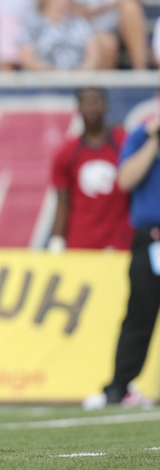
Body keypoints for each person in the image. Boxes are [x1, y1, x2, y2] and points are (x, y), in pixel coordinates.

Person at [83, 86, 160, 410]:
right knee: (139, 314)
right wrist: (154, 141)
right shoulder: (140, 137)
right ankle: (120, 385)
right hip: (150, 240)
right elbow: (125, 180)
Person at [49, 87, 131, 255]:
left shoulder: (124, 142)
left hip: (119, 240)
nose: (91, 107)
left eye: (96, 101)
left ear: (106, 105)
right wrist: (57, 240)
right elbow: (62, 201)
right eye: (86, 102)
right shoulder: (67, 152)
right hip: (81, 242)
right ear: (78, 108)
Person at [18, 0, 103, 71]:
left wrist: (81, 72)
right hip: (42, 77)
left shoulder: (79, 23)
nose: (67, 0)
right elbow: (27, 59)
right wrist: (53, 72)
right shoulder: (32, 26)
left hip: (78, 77)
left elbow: (93, 55)